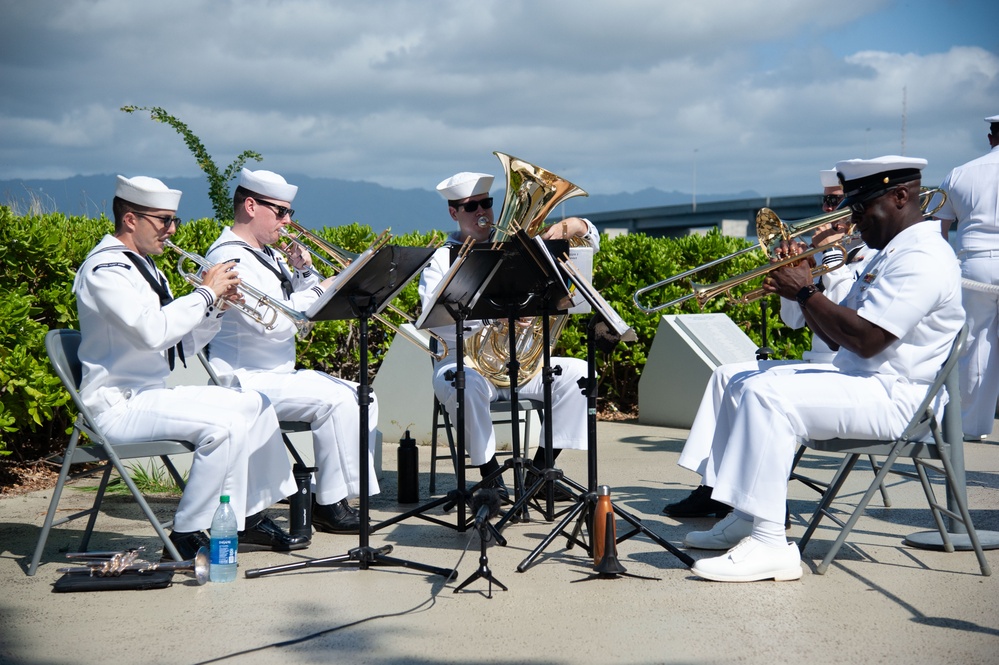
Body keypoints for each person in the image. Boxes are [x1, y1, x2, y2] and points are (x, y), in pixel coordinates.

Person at [678, 156, 963, 582]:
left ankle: (771, 543)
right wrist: (803, 286)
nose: (854, 220)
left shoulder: (921, 257)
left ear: (900, 196)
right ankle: (747, 514)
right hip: (862, 379)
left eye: (862, 209)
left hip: (896, 397)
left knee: (765, 395)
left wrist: (807, 290)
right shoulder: (893, 253)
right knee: (739, 379)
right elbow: (835, 337)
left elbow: (867, 341)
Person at [74, 175, 308, 559]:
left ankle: (248, 516)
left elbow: (179, 347)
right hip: (116, 404)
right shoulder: (106, 270)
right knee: (224, 427)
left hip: (149, 394)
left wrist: (217, 308)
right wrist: (204, 293)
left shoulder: (147, 266)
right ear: (130, 219)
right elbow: (152, 332)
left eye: (174, 221)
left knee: (255, 402)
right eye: (163, 220)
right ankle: (185, 532)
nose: (172, 230)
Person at [663, 168, 871, 520]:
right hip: (816, 361)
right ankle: (712, 486)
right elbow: (793, 321)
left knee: (755, 388)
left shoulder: (869, 252)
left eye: (837, 202)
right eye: (826, 201)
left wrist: (828, 259)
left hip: (842, 366)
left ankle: (754, 503)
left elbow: (842, 327)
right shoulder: (822, 250)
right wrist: (792, 273)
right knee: (725, 375)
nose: (828, 210)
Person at [205, 168, 378, 534]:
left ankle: (331, 495)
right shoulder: (229, 257)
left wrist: (304, 273)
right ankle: (330, 504)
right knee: (341, 400)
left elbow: (299, 309)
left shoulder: (265, 254)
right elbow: (276, 321)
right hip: (244, 376)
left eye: (289, 213)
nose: (288, 221)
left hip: (276, 373)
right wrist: (322, 288)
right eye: (281, 212)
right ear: (251, 206)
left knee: (364, 395)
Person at [418, 171, 600, 497]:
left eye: (486, 203)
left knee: (581, 374)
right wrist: (499, 321)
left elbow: (592, 243)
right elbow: (437, 320)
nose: (480, 212)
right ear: (453, 213)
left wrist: (572, 226)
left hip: (520, 366)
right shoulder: (441, 260)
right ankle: (491, 480)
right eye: (470, 206)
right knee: (464, 383)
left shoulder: (519, 250)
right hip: (466, 365)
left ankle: (541, 475)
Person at [935, 113, 999, 441]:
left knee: (976, 344)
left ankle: (971, 427)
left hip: (975, 264)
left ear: (991, 137)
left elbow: (939, 230)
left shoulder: (960, 173)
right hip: (977, 264)